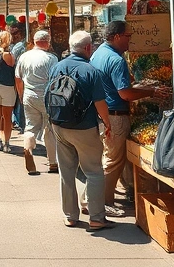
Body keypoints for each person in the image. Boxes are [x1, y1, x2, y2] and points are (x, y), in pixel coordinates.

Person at [46, 30, 112, 231]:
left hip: (59, 124)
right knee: (93, 171)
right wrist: (107, 123)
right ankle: (96, 218)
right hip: (84, 127)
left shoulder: (57, 66)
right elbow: (100, 102)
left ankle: (70, 216)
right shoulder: (91, 71)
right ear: (88, 48)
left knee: (66, 172)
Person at [90, 20, 152, 215]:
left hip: (102, 114)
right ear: (116, 36)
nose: (130, 40)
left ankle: (102, 197)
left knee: (110, 157)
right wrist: (150, 92)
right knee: (112, 161)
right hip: (115, 115)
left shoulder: (98, 53)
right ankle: (100, 203)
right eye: (128, 36)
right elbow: (124, 93)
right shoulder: (116, 60)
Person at [16, 29, 59, 175]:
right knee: (50, 129)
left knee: (30, 126)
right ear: (47, 41)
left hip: (29, 94)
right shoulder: (51, 58)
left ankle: (28, 148)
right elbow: (55, 79)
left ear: (34, 41)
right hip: (46, 96)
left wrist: (21, 94)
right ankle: (53, 162)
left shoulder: (24, 57)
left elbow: (18, 78)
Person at [9, 22, 28, 132]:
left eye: (15, 33)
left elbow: (12, 60)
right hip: (19, 75)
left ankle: (19, 122)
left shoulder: (19, 46)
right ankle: (18, 121)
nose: (13, 35)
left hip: (18, 75)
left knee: (19, 99)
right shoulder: (18, 45)